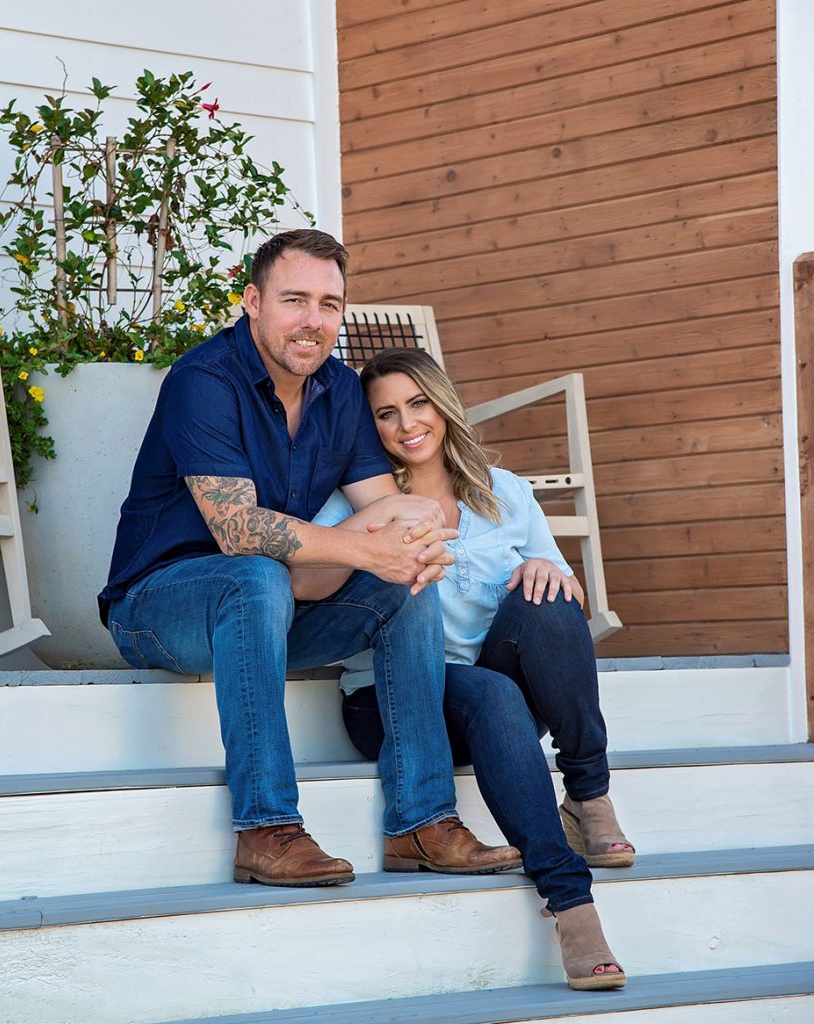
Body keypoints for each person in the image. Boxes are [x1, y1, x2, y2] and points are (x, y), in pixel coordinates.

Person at [98, 229, 521, 890]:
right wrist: (364, 545)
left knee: (400, 584)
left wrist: (416, 545)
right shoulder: (203, 379)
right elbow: (236, 528)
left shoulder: (342, 392)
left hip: (273, 608)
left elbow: (390, 508)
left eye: (329, 304)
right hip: (159, 606)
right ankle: (265, 829)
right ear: (252, 301)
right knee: (257, 572)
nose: (313, 320)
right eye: (295, 299)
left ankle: (422, 823)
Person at [296, 346, 629, 990]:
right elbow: (309, 582)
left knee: (550, 599)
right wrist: (370, 541)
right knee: (494, 693)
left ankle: (588, 794)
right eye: (385, 414)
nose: (405, 424)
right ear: (371, 429)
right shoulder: (353, 503)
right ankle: (571, 903)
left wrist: (548, 569)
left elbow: (574, 605)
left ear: (442, 406)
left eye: (417, 403)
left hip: (490, 692)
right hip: (391, 700)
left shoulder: (503, 492)